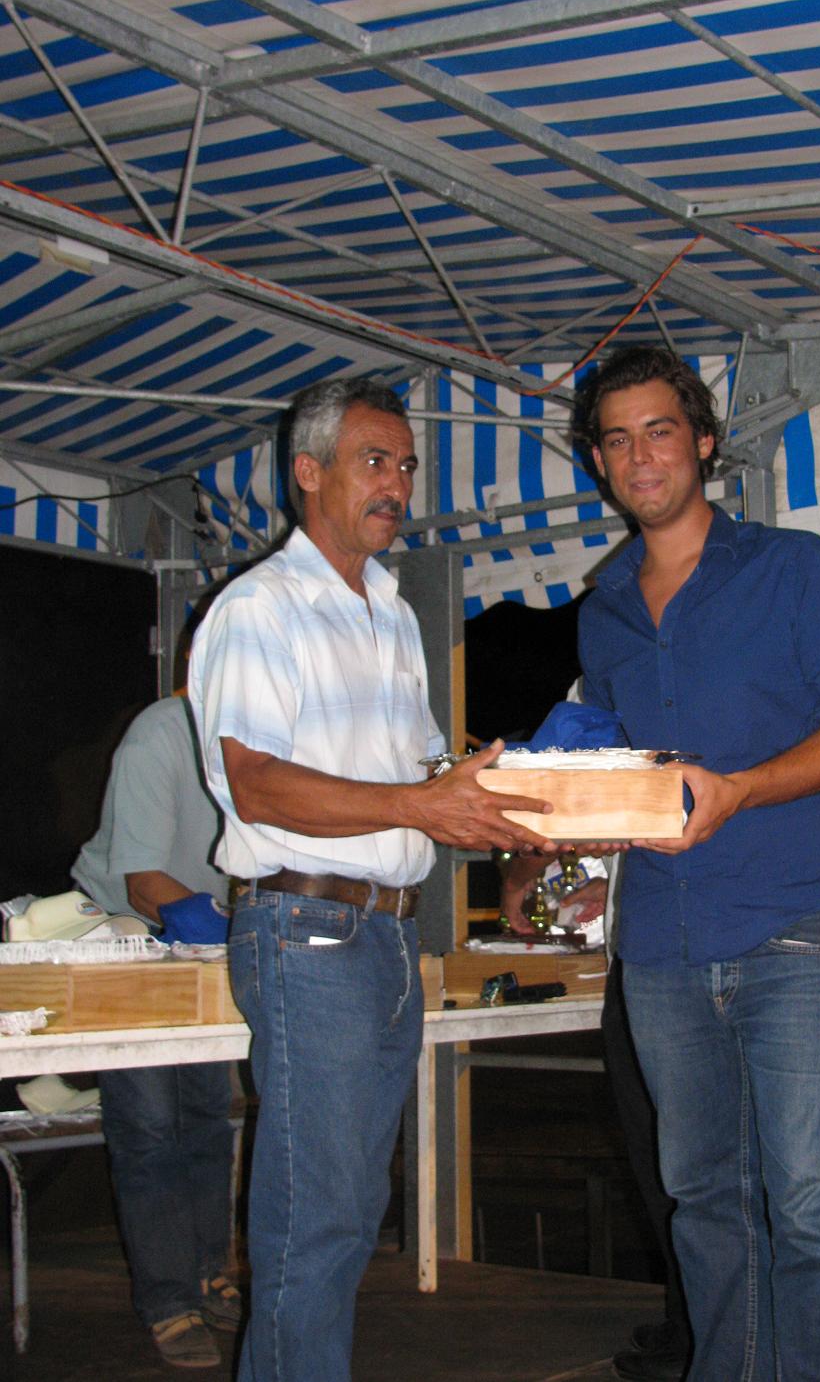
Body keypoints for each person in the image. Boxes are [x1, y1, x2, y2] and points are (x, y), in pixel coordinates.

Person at [188, 376, 554, 1382]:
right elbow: (256, 788)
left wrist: (527, 813)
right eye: (371, 462)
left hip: (385, 938)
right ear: (307, 474)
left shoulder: (390, 612)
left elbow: (425, 776)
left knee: (347, 1216)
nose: (395, 484)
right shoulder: (257, 609)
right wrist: (415, 807)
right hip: (307, 930)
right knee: (316, 1223)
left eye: (403, 465)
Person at [571, 345, 820, 1382]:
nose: (640, 455)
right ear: (598, 462)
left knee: (807, 1208)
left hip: (798, 928)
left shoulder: (790, 566)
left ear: (704, 442)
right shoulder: (603, 608)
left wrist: (740, 789)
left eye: (659, 430)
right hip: (662, 947)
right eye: (616, 439)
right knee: (703, 1202)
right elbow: (616, 770)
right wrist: (572, 840)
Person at [72, 625, 240, 1370]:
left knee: (207, 1114)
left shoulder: (250, 741)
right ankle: (168, 1300)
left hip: (203, 942)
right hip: (131, 935)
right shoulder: (159, 734)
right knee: (148, 1126)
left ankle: (210, 1271)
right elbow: (148, 884)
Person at [501, 850, 691, 1382]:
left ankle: (701, 1330)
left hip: (664, 964)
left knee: (672, 1163)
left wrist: (518, 876)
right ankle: (690, 1316)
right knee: (669, 1160)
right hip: (663, 943)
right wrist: (610, 885)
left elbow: (556, 819)